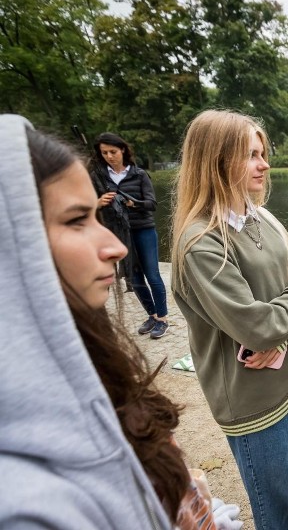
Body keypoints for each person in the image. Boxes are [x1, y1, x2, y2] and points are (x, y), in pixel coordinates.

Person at [0, 115, 241, 529]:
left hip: (141, 225)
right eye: (77, 220)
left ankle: (159, 315)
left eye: (92, 215)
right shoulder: (24, 503)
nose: (110, 247)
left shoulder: (91, 360)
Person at [171, 110, 288, 530]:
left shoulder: (261, 215)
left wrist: (282, 335)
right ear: (217, 161)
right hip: (250, 393)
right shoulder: (200, 243)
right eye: (251, 155)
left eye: (262, 153)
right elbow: (259, 325)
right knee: (278, 497)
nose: (265, 164)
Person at [90, 132, 170, 339]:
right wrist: (98, 203)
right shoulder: (98, 177)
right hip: (117, 232)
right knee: (134, 278)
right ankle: (151, 315)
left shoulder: (139, 174)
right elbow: (86, 204)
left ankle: (162, 319)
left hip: (143, 229)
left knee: (152, 275)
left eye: (113, 151)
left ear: (123, 150)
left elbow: (152, 204)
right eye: (104, 152)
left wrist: (133, 202)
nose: (109, 156)